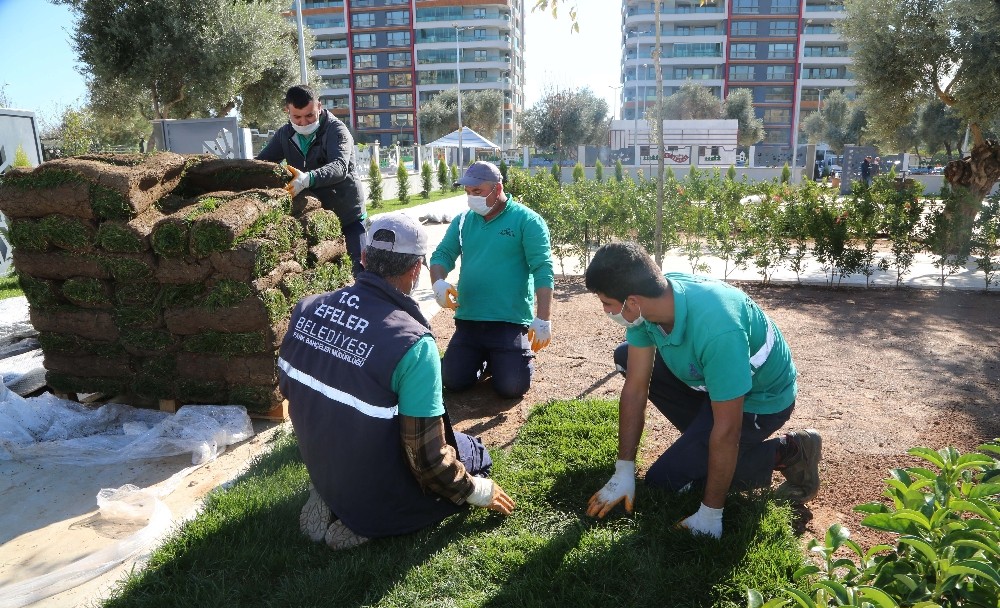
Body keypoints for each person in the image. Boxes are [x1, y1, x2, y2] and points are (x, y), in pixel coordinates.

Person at [278, 212, 515, 550]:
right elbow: (427, 458)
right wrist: (476, 491)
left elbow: (291, 392)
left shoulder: (307, 308)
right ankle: (367, 520)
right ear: (416, 269)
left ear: (363, 257)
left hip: (323, 461)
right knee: (474, 452)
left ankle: (328, 493)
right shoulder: (411, 343)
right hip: (375, 483)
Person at [583, 242, 822, 539]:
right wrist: (624, 468)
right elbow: (635, 389)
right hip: (714, 384)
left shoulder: (718, 328)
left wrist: (710, 513)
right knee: (626, 358)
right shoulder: (651, 304)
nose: (605, 310)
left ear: (632, 302)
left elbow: (728, 429)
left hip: (759, 401)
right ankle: (700, 441)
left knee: (665, 481)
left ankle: (788, 452)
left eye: (606, 303)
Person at [429, 161, 555, 399]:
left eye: (477, 191)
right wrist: (438, 283)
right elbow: (442, 255)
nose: (471, 198)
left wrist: (543, 319)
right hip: (469, 319)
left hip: (509, 321)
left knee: (512, 387)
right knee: (453, 381)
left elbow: (543, 268)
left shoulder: (527, 220)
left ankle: (504, 359)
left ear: (497, 189)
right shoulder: (463, 221)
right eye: (468, 192)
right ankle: (488, 359)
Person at [257, 85, 366, 276]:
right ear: (287, 111)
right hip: (313, 216)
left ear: (319, 107)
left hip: (347, 216)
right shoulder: (285, 134)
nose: (304, 122)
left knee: (358, 272)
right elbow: (263, 163)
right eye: (297, 117)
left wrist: (308, 178)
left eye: (309, 115)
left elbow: (339, 167)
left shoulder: (337, 131)